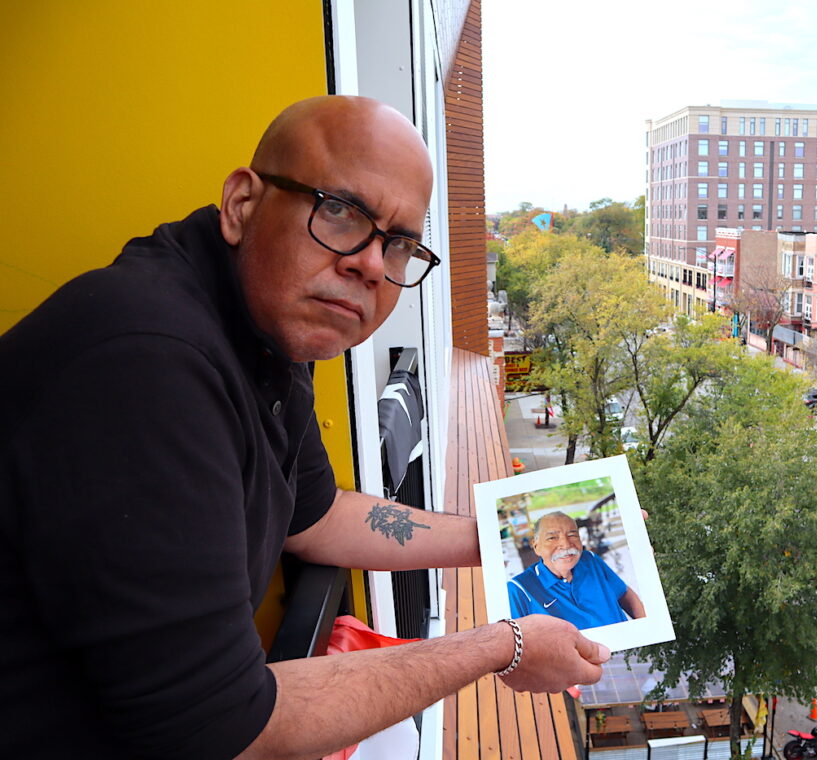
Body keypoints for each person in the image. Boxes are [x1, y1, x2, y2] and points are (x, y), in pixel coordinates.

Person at [0, 96, 608, 759]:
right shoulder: (145, 364)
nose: (372, 265)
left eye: (399, 243)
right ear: (241, 205)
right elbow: (227, 728)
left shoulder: (271, 329)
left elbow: (316, 518)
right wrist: (503, 644)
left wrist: (499, 536)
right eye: (342, 211)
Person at [508, 511, 645, 628]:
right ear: (536, 546)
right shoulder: (518, 589)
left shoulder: (589, 559)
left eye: (572, 535)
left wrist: (647, 627)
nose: (566, 544)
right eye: (552, 538)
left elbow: (624, 594)